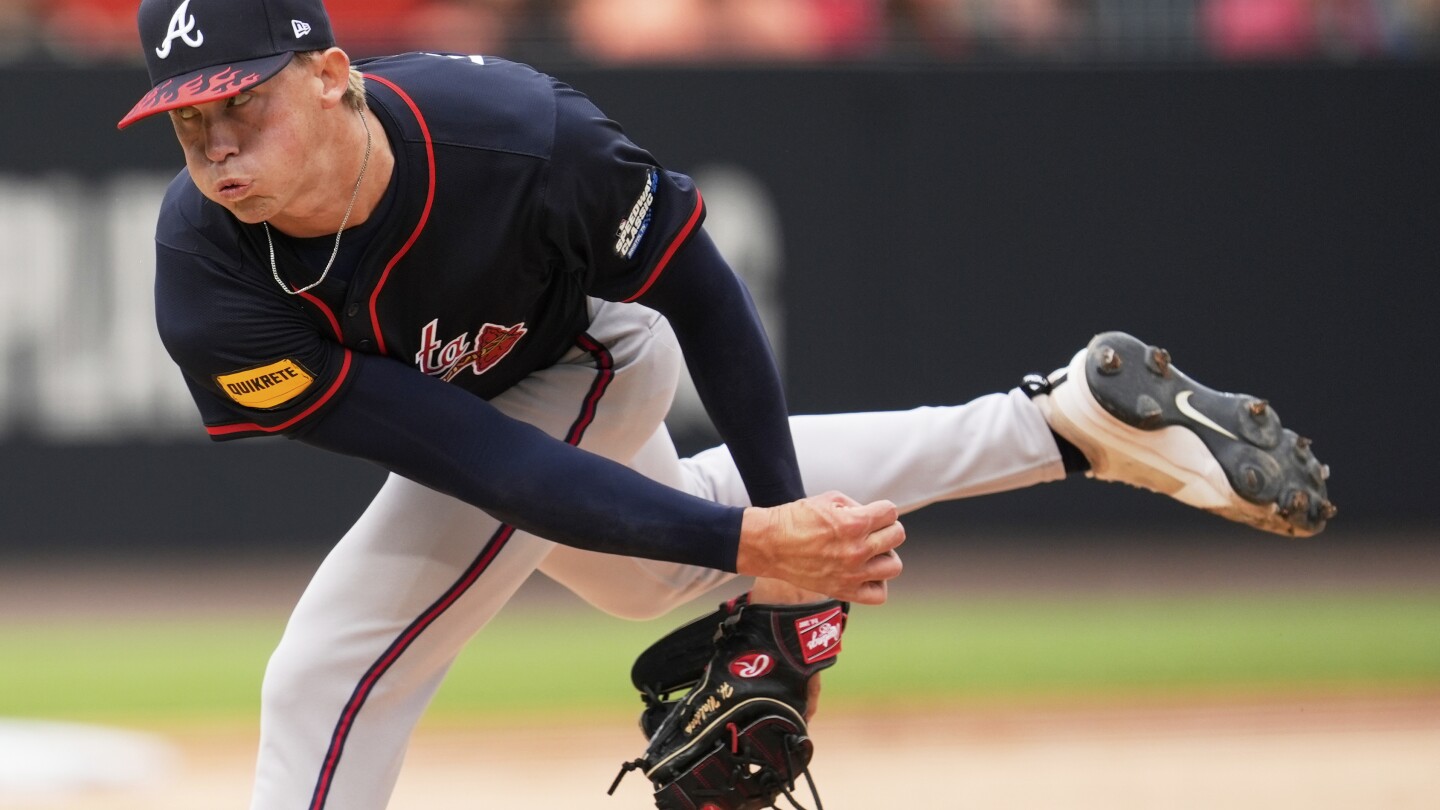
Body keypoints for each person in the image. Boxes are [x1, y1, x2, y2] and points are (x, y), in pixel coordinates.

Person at [117, 0, 1332, 807]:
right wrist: (755, 542)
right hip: (496, 422)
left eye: (242, 103)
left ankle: (1020, 444)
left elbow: (701, 291)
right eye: (186, 120)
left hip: (595, 353)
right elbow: (481, 464)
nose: (215, 147)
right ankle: (1066, 424)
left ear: (333, 76)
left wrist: (781, 538)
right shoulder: (210, 283)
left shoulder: (521, 139)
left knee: (328, 672)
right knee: (661, 565)